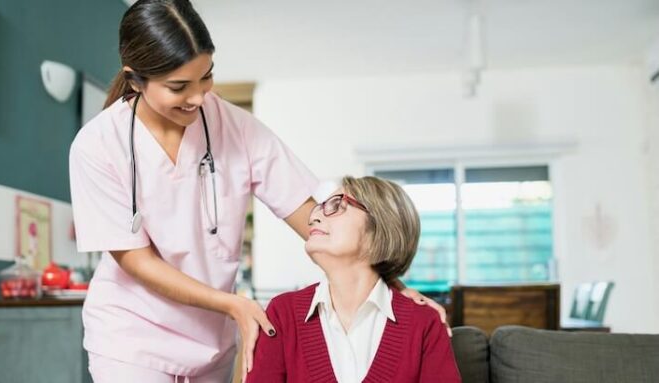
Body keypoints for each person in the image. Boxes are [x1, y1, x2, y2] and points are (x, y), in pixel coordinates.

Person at [69, 1, 447, 381]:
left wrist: (392, 287)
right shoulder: (98, 145)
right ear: (135, 80)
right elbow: (135, 259)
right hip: (131, 334)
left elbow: (310, 216)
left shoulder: (236, 127)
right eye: (179, 87)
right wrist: (232, 303)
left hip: (210, 338)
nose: (199, 97)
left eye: (206, 77)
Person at [248, 176, 461, 383]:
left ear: (379, 226)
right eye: (319, 208)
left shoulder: (425, 324)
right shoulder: (282, 314)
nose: (313, 218)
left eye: (337, 205)